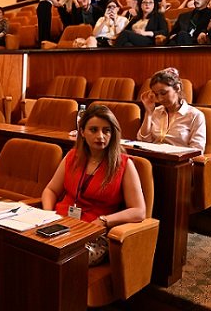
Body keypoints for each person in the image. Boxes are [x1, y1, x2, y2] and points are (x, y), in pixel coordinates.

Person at [41, 104, 146, 265]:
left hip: (93, 233)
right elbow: (51, 190)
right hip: (59, 224)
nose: (100, 136)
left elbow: (139, 211)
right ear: (82, 132)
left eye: (106, 130)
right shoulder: (72, 156)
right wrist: (48, 216)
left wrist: (104, 220)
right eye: (94, 130)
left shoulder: (123, 164)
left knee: (60, 259)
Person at [138, 68, 206, 154]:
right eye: (156, 94)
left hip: (179, 160)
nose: (160, 99)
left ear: (177, 88)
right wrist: (148, 113)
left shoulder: (195, 115)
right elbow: (143, 141)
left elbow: (197, 150)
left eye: (163, 93)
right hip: (153, 157)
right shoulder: (156, 112)